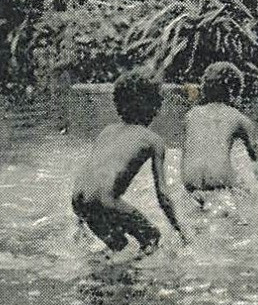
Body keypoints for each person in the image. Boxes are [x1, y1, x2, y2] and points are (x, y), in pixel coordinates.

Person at [72, 70, 188, 255]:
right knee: (152, 237)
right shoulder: (153, 140)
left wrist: (79, 221)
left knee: (120, 248)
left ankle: (108, 279)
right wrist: (180, 230)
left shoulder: (107, 131)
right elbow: (163, 196)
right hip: (105, 201)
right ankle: (138, 281)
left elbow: (89, 173)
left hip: (79, 200)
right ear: (153, 106)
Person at [180, 61, 258, 204]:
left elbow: (187, 155)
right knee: (249, 194)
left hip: (190, 187)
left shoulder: (190, 115)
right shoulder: (240, 119)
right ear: (234, 91)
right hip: (221, 187)